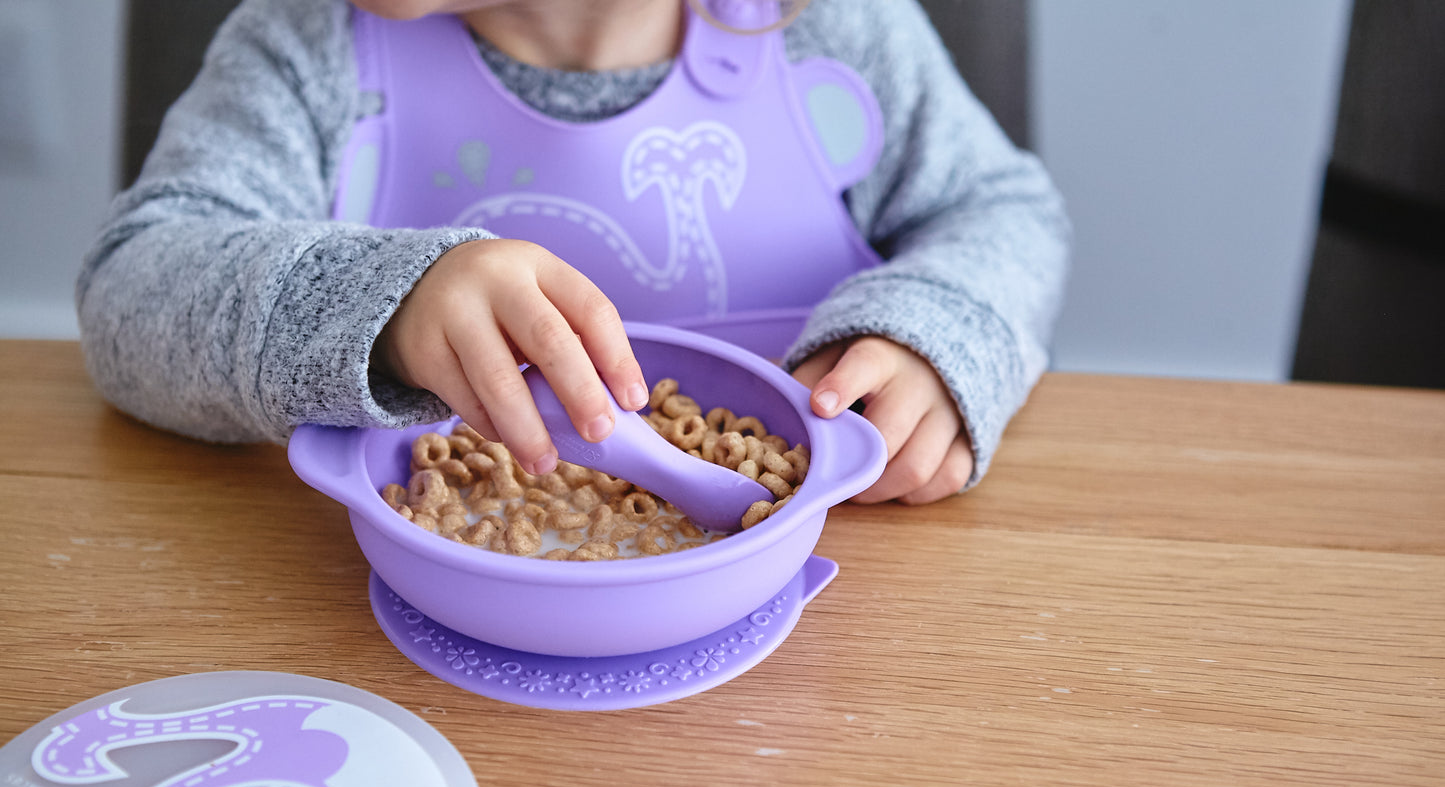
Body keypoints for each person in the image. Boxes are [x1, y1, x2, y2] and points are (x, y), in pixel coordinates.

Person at [77, 0, 1069, 505]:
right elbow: (132, 289)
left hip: (835, 637)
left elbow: (998, 211)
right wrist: (383, 304)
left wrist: (941, 339)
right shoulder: (305, 46)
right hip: (385, 648)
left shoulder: (830, 32)